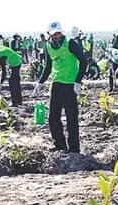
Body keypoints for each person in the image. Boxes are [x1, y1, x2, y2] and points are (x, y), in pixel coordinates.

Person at [34, 21, 87, 154]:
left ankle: (74, 148)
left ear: (61, 32)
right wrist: (40, 82)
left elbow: (83, 61)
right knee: (53, 117)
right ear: (49, 34)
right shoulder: (48, 46)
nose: (56, 36)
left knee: (71, 118)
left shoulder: (70, 43)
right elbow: (48, 66)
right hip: (56, 84)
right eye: (54, 34)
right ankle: (60, 146)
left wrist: (78, 81)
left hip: (70, 85)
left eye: (58, 33)